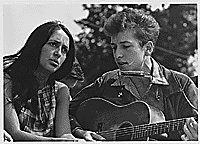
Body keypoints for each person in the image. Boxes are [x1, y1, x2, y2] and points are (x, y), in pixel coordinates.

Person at [69, 8, 198, 141]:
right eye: (114, 47)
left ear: (148, 48)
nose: (118, 54)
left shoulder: (181, 84)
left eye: (126, 46)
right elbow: (68, 111)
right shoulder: (107, 81)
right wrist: (79, 131)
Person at [4, 20, 79, 141]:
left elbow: (64, 134)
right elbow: (14, 133)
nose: (58, 53)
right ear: (37, 45)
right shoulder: (8, 80)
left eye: (64, 50)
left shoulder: (61, 91)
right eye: (53, 44)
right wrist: (53, 142)